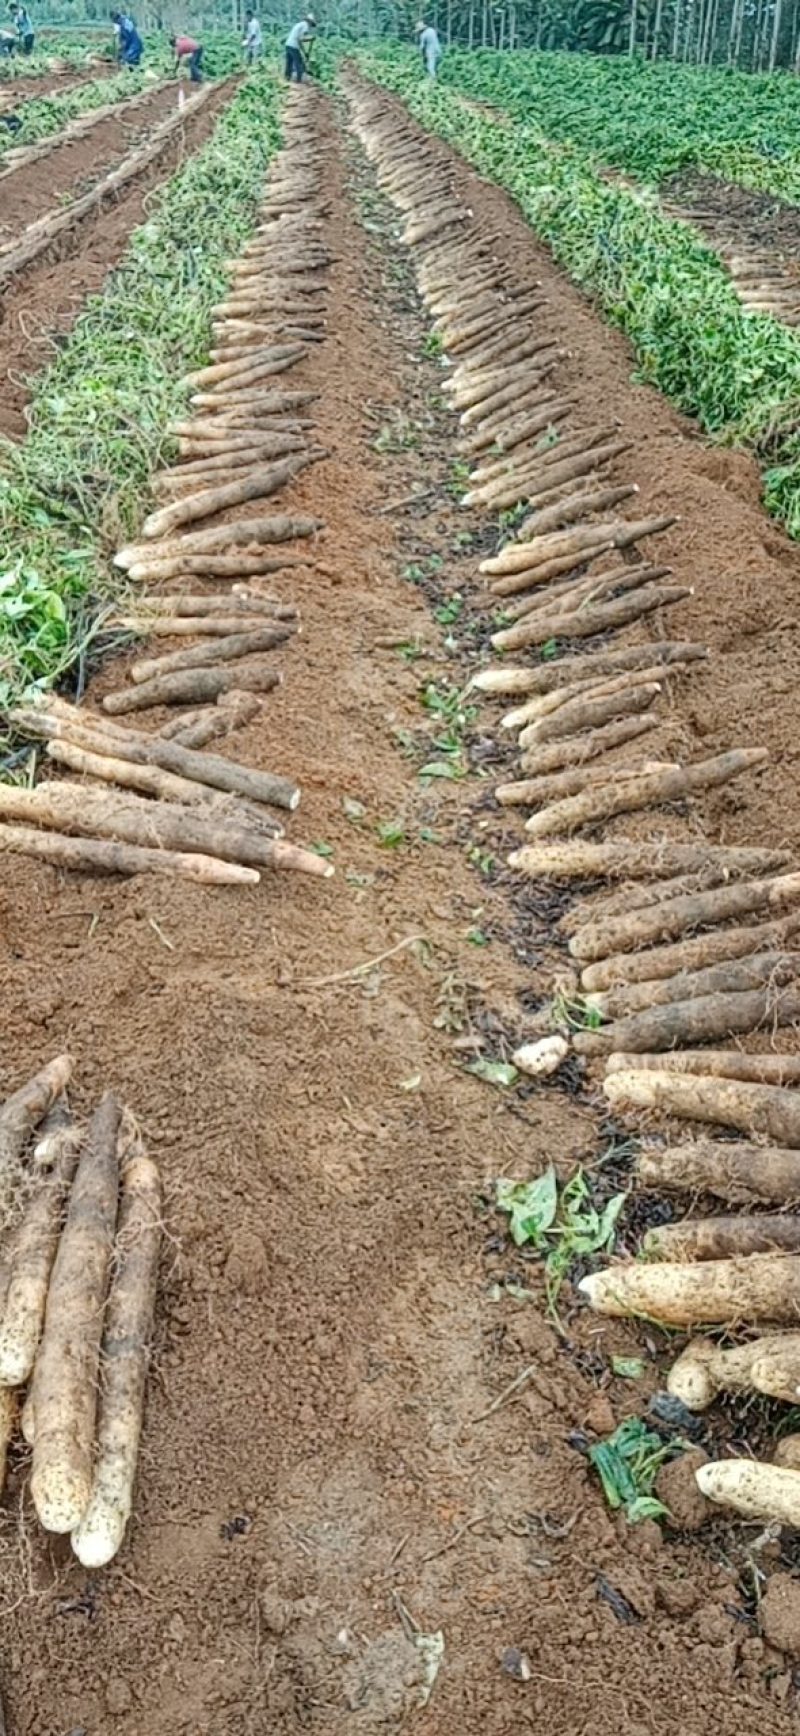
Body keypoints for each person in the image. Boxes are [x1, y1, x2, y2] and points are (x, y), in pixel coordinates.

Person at [284, 13, 314, 82]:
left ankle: (287, 78)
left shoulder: (299, 24)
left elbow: (299, 41)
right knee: (299, 63)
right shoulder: (305, 25)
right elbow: (301, 38)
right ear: (309, 21)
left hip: (288, 44)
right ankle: (299, 80)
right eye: (311, 24)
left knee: (289, 63)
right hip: (294, 45)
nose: (310, 26)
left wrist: (304, 52)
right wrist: (310, 39)